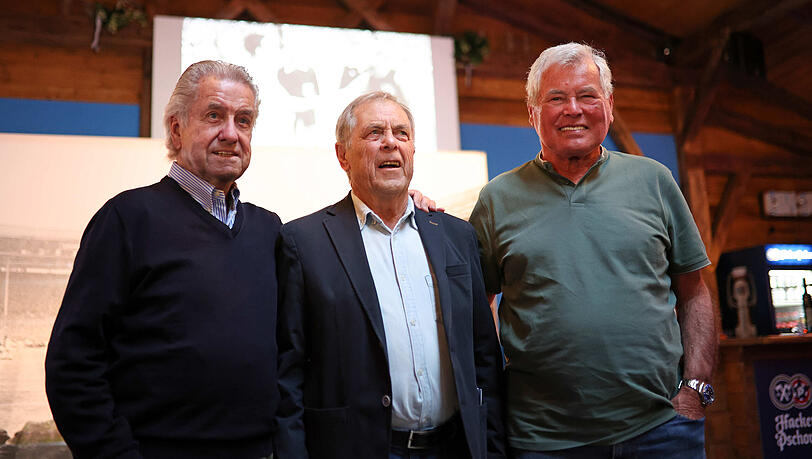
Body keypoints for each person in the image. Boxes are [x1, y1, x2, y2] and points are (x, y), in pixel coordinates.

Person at [468, 43, 717, 458]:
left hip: (662, 430)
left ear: (610, 106)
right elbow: (477, 312)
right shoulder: (497, 199)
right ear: (532, 113)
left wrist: (695, 390)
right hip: (543, 440)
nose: (573, 109)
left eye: (587, 96)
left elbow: (695, 291)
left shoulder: (654, 180)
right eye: (556, 98)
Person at [45, 60, 281, 459]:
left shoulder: (269, 230)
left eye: (244, 121)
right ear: (176, 128)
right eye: (213, 116)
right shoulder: (127, 218)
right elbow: (73, 364)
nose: (231, 133)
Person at [274, 91, 506, 459]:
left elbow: (484, 360)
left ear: (412, 150)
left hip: (455, 447)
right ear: (342, 155)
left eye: (401, 133)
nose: (390, 143)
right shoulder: (303, 242)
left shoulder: (456, 236)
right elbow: (288, 376)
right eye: (374, 133)